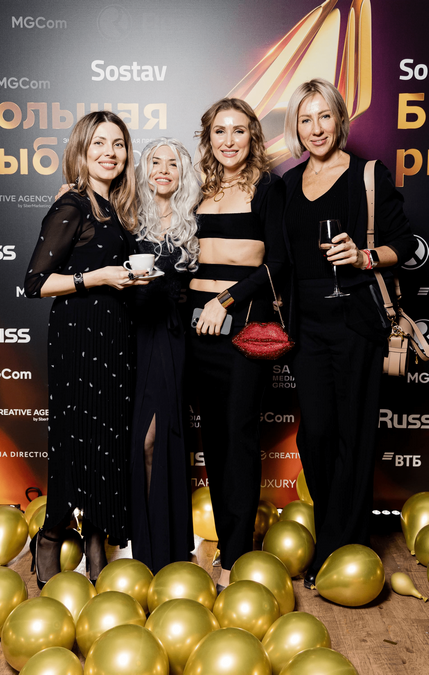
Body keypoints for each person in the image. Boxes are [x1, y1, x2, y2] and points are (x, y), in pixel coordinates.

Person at [282, 78, 416, 588]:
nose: (316, 128)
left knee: (354, 437)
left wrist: (363, 257)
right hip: (307, 327)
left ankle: (344, 547)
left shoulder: (368, 174)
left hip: (356, 322)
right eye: (306, 119)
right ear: (296, 126)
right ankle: (332, 531)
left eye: (325, 116)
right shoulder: (287, 184)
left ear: (340, 119)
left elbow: (405, 244)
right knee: (316, 434)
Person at [24, 111, 150, 587]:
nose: (109, 153)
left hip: (115, 340)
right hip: (78, 339)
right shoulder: (72, 204)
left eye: (118, 144)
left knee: (108, 444)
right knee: (75, 441)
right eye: (99, 143)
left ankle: (97, 540)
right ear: (81, 149)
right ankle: (51, 535)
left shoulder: (113, 208)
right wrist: (95, 277)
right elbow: (35, 283)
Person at [189, 98, 286, 590]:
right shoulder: (199, 187)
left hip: (243, 328)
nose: (229, 141)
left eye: (239, 131)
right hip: (197, 330)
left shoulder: (268, 187)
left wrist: (225, 300)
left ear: (253, 137)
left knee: (240, 439)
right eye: (220, 131)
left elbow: (279, 265)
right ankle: (228, 543)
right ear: (208, 138)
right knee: (214, 440)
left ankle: (235, 557)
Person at [130, 138, 200, 573]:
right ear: (144, 170)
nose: (163, 170)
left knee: (159, 438)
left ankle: (168, 547)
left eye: (172, 164)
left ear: (182, 173)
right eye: (155, 162)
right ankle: (145, 546)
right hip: (131, 338)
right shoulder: (127, 215)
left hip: (172, 340)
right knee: (137, 441)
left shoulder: (194, 220)